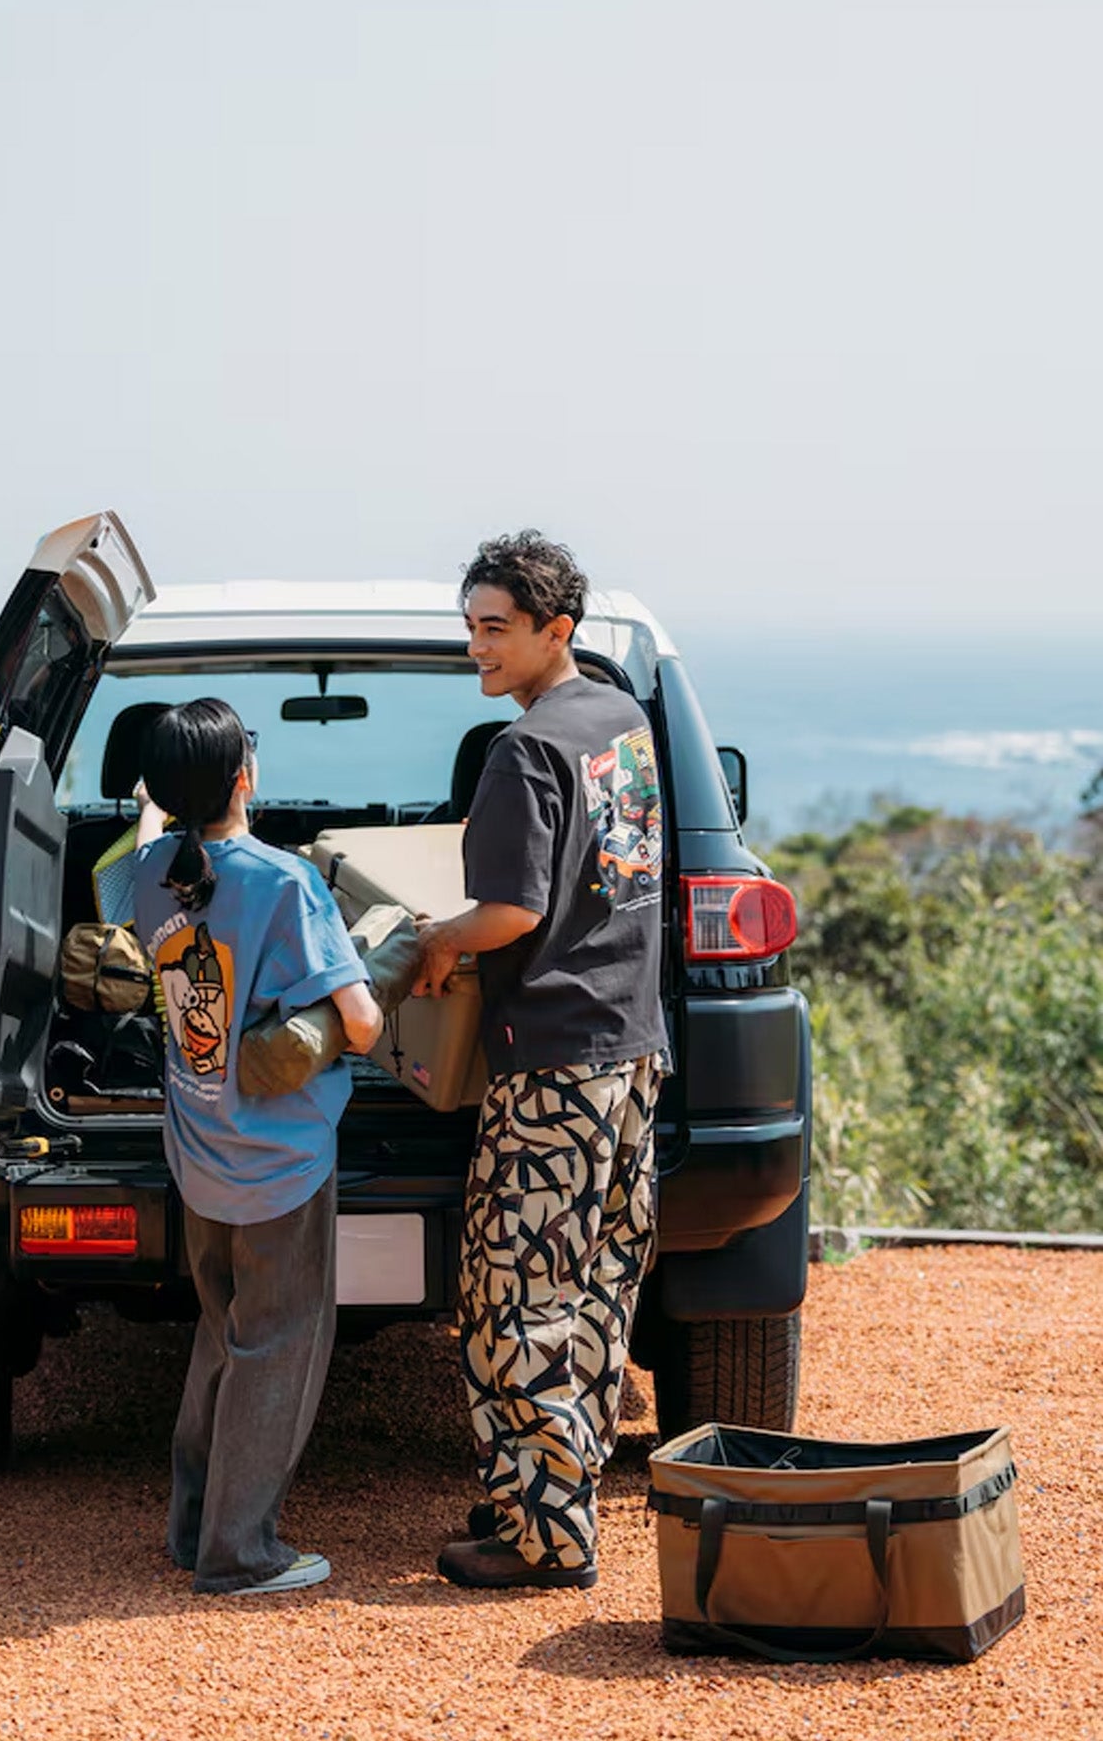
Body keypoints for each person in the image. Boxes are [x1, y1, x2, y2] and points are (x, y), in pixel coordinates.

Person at [412, 531, 668, 1591]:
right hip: (633, 1052)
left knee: (511, 1301)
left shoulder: (523, 751)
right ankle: (548, 1492)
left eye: (497, 629)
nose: (477, 648)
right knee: (596, 1289)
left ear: (556, 630)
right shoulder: (621, 722)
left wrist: (436, 940)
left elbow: (511, 914)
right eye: (471, 626)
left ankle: (547, 1539)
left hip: (553, 1064)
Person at [133, 698, 384, 1595]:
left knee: (224, 1335)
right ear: (245, 777)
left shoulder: (146, 874)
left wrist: (155, 813)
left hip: (200, 1150)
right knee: (277, 1346)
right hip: (282, 1162)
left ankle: (194, 1527)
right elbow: (362, 1023)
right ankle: (240, 1553)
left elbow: (151, 852)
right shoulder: (287, 883)